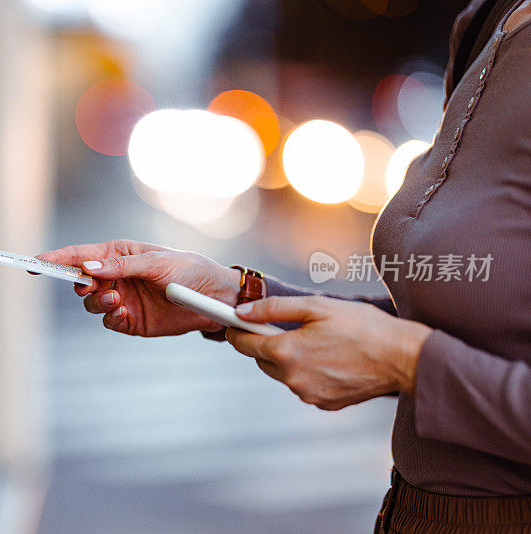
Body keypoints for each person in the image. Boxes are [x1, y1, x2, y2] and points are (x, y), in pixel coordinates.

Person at [38, 0, 531, 531]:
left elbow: (428, 352)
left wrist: (406, 362)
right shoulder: (488, 19)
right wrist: (232, 297)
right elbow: (468, 331)